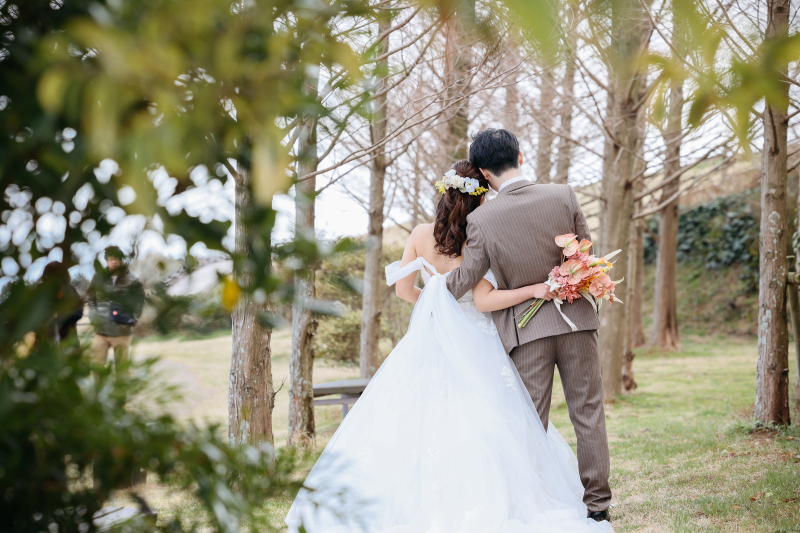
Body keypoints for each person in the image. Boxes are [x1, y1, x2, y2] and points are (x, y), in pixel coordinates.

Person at [285, 159, 613, 533]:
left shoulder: (420, 235)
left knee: (420, 422)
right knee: (497, 421)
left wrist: (438, 308)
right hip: (481, 338)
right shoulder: (484, 232)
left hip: (433, 339)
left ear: (445, 192)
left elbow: (405, 291)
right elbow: (486, 300)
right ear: (481, 193)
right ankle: (535, 497)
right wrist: (532, 290)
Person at [446, 129, 612, 522]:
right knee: (588, 413)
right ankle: (598, 508)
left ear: (485, 173)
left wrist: (436, 290)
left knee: (529, 421)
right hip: (576, 322)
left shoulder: (482, 220)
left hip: (525, 332)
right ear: (520, 156)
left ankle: (534, 505)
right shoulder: (563, 195)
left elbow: (467, 276)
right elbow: (585, 256)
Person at [88, 246, 144, 369]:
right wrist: (93, 316)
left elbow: (139, 302)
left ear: (121, 260)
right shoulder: (97, 278)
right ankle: (99, 388)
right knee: (97, 366)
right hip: (101, 331)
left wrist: (132, 319)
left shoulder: (132, 280)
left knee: (122, 370)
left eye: (117, 259)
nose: (114, 261)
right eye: (111, 259)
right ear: (106, 260)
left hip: (122, 332)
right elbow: (91, 299)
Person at [40, 261, 84, 343]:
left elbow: (79, 311)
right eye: (51, 274)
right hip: (46, 340)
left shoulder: (70, 290)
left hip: (68, 339)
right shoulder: (40, 291)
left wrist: (62, 316)